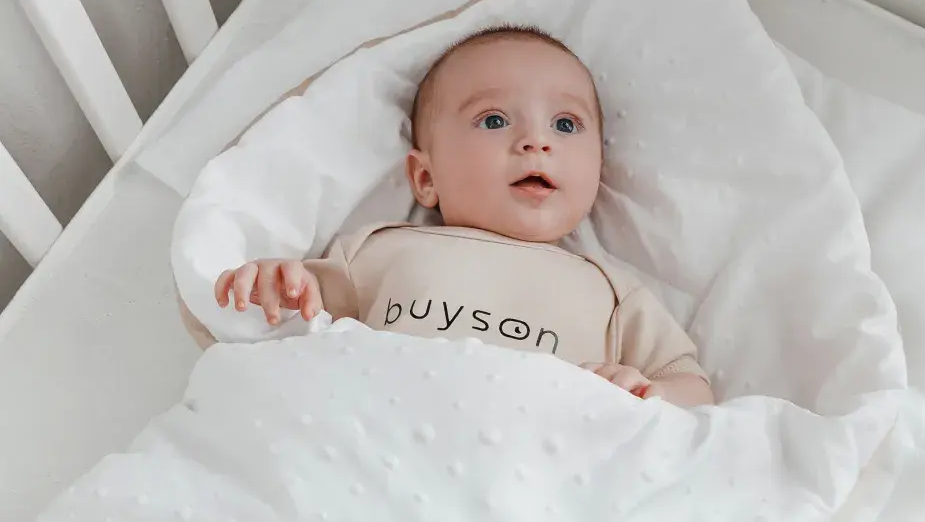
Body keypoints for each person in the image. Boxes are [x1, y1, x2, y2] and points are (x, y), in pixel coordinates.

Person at [214, 25, 713, 408]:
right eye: (494, 120)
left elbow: (690, 384)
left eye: (565, 124)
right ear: (425, 178)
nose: (536, 141)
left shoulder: (611, 292)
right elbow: (307, 316)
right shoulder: (379, 249)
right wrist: (280, 280)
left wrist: (647, 392)